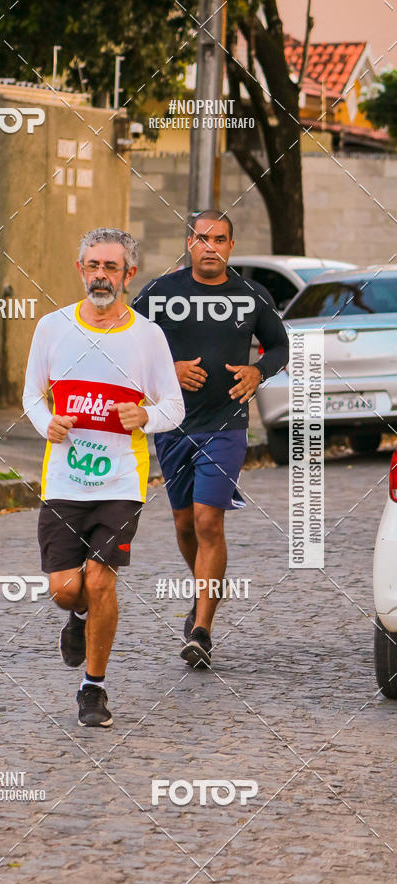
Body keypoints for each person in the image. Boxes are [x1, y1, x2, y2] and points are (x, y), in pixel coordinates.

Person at [23, 227, 184, 727]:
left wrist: (146, 418)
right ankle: (76, 618)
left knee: (100, 579)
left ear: (129, 275)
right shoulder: (52, 328)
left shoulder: (147, 336)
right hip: (64, 484)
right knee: (66, 589)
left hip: (120, 483)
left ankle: (93, 688)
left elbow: (174, 407)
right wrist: (44, 423)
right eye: (93, 265)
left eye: (111, 267)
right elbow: (31, 395)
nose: (100, 275)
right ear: (80, 270)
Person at [132, 210, 289, 669]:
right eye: (202, 238)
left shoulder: (251, 295)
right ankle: (204, 591)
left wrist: (259, 370)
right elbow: (125, 344)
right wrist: (168, 371)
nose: (210, 246)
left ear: (231, 246)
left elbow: (280, 345)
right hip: (173, 423)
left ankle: (202, 628)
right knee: (184, 526)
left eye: (219, 238)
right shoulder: (160, 293)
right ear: (189, 242)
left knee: (207, 522)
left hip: (226, 424)